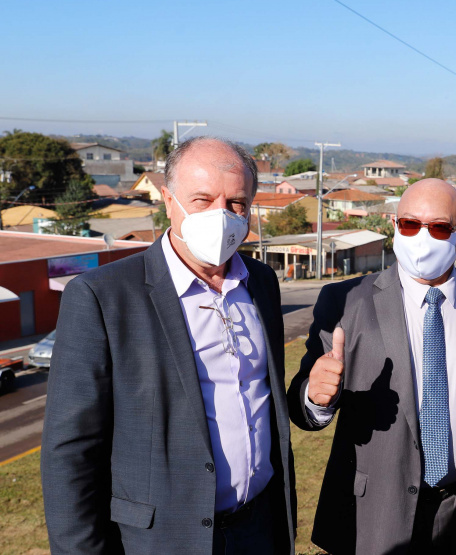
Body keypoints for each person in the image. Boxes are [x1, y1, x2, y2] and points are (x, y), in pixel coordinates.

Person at [42, 137, 296, 554]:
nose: (221, 216)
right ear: (167, 199)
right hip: (161, 539)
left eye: (236, 203)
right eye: (202, 199)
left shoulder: (261, 283)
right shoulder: (102, 296)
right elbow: (70, 452)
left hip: (258, 527)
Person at [287, 179, 456, 555]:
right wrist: (315, 399)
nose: (423, 237)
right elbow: (303, 405)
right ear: (395, 227)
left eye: (440, 227)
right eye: (411, 224)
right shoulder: (345, 301)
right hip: (369, 518)